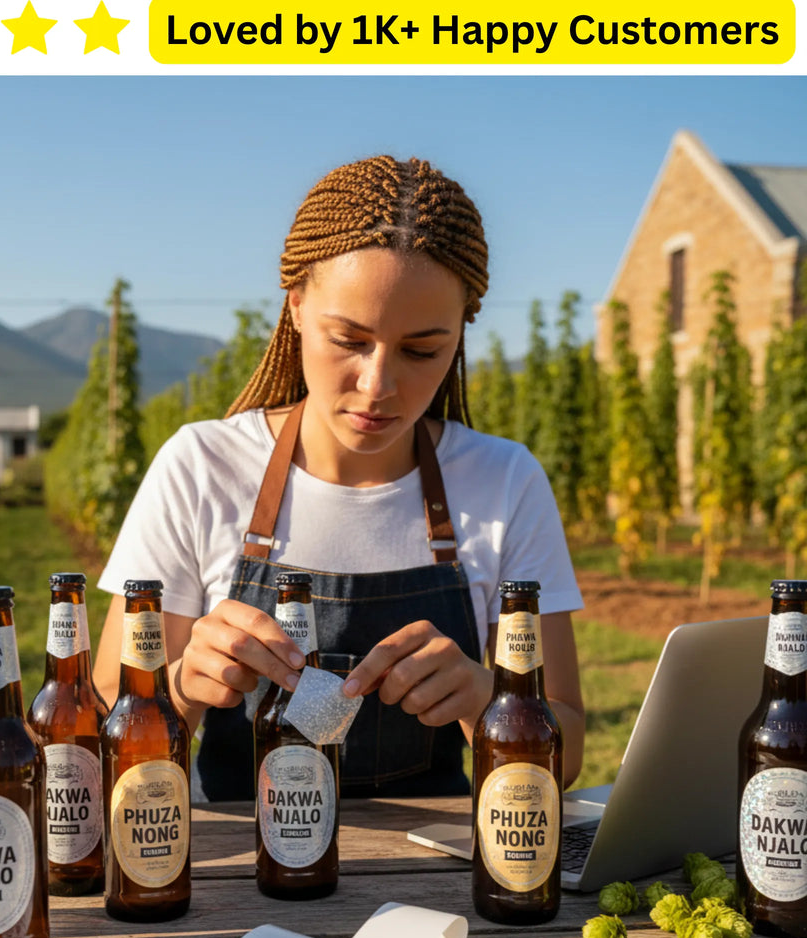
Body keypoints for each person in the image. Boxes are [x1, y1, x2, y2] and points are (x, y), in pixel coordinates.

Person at [94, 154, 585, 800]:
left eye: (421, 351)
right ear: (296, 305)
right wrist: (180, 685)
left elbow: (568, 751)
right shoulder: (199, 469)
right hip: (242, 886)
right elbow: (95, 733)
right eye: (349, 340)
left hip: (434, 880)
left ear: (461, 333)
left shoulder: (505, 483)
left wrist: (490, 699)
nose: (378, 385)